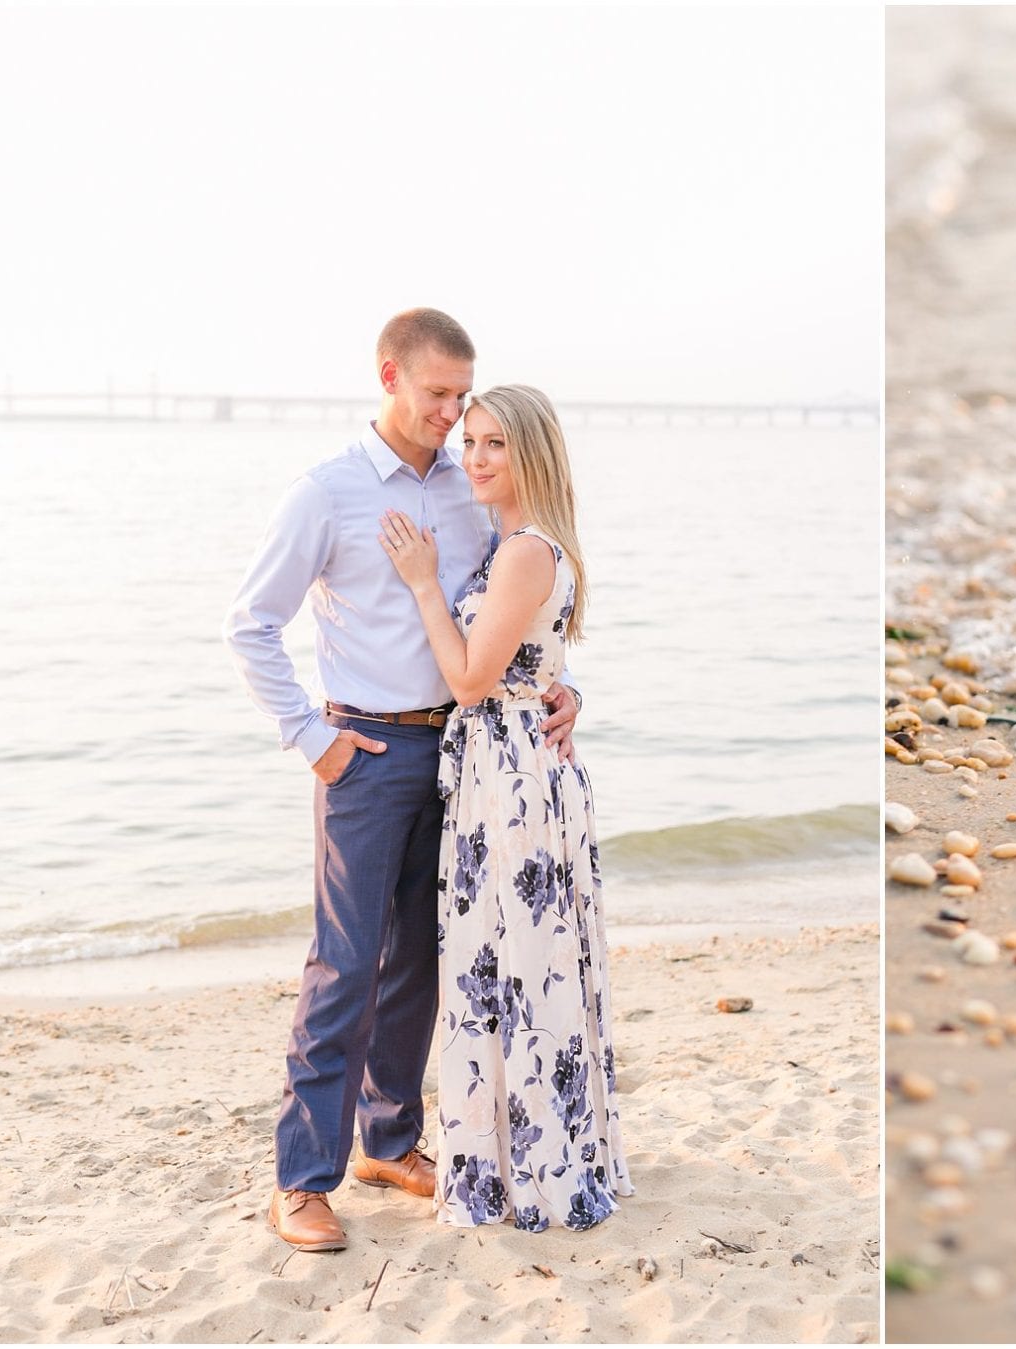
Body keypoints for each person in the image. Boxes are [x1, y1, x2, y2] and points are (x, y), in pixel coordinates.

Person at [225, 310, 581, 1252]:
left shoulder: (471, 486)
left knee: (424, 961)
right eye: (437, 395)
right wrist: (313, 736)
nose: (452, 413)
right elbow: (250, 625)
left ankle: (389, 1141)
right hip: (367, 756)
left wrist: (560, 685)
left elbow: (505, 616)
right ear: (390, 376)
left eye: (464, 398)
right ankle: (302, 1178)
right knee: (344, 964)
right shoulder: (327, 493)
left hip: (464, 760)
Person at [379, 383, 632, 1231]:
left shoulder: (524, 550)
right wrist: (568, 694)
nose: (475, 457)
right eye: (471, 441)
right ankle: (527, 1149)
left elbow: (470, 679)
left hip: (514, 779)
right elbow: (534, 664)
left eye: (495, 443)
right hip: (509, 769)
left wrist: (419, 583)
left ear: (532, 454)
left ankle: (527, 1164)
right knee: (514, 962)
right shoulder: (517, 545)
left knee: (514, 965)